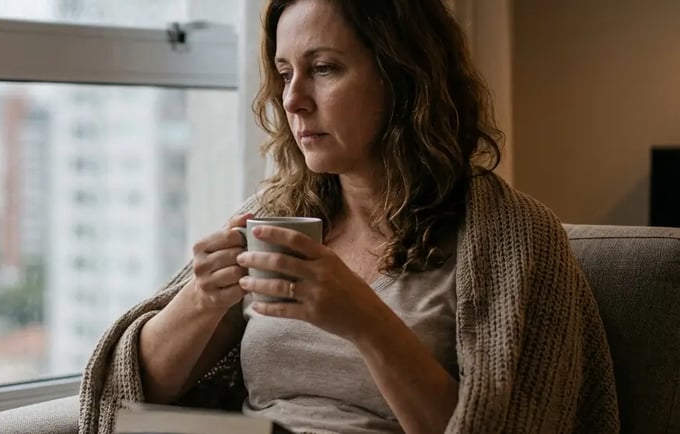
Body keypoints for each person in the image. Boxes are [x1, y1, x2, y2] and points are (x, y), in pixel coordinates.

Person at [79, 0, 619, 433]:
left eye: (323, 69)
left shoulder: (514, 238)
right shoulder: (272, 216)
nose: (293, 100)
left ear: (403, 77)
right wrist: (200, 299)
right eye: (285, 72)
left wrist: (365, 321)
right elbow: (129, 396)